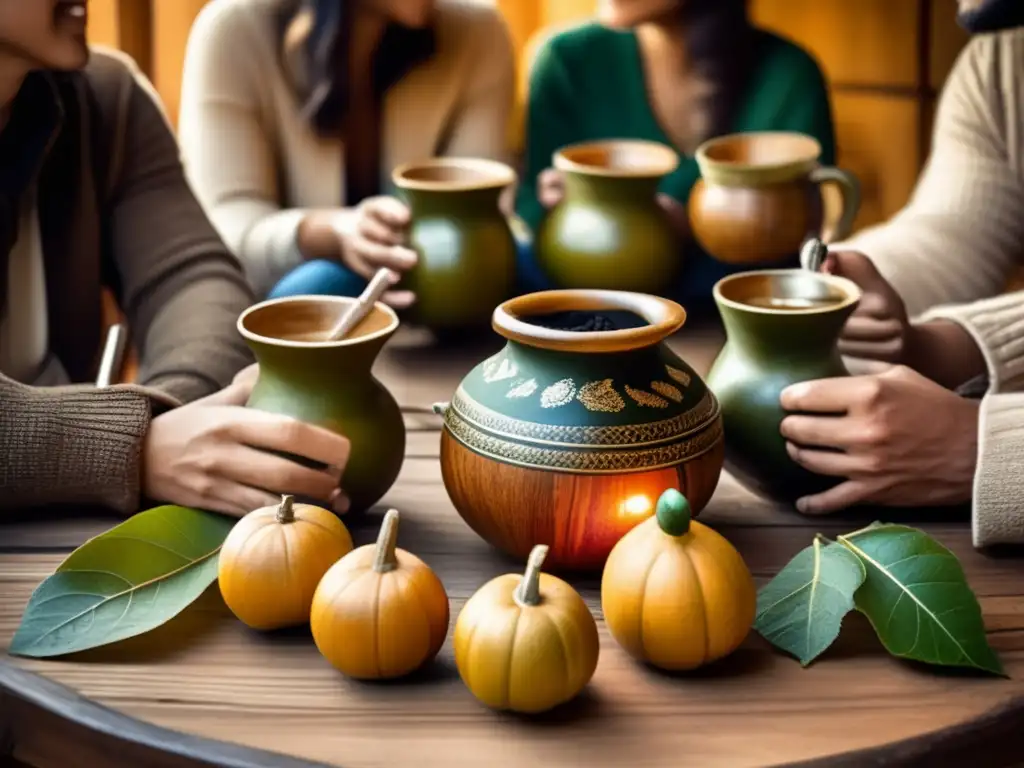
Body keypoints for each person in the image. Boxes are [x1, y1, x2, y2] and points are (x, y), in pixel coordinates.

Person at [0, 0, 353, 519]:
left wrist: (173, 421)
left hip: (78, 541)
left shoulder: (107, 98)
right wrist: (130, 446)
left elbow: (195, 281)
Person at [777, 0, 1024, 548]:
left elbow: (982, 450)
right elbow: (954, 229)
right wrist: (908, 331)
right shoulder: (1003, 59)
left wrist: (985, 451)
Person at [177, 0, 515, 305]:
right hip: (268, 305)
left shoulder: (480, 33)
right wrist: (329, 233)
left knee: (522, 260)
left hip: (431, 295)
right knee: (317, 285)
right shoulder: (232, 31)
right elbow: (224, 227)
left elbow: (480, 212)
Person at [515, 0, 837, 309]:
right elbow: (530, 206)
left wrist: (688, 228)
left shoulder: (787, 77)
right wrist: (555, 209)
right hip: (586, 308)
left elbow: (804, 245)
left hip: (738, 315)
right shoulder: (567, 60)